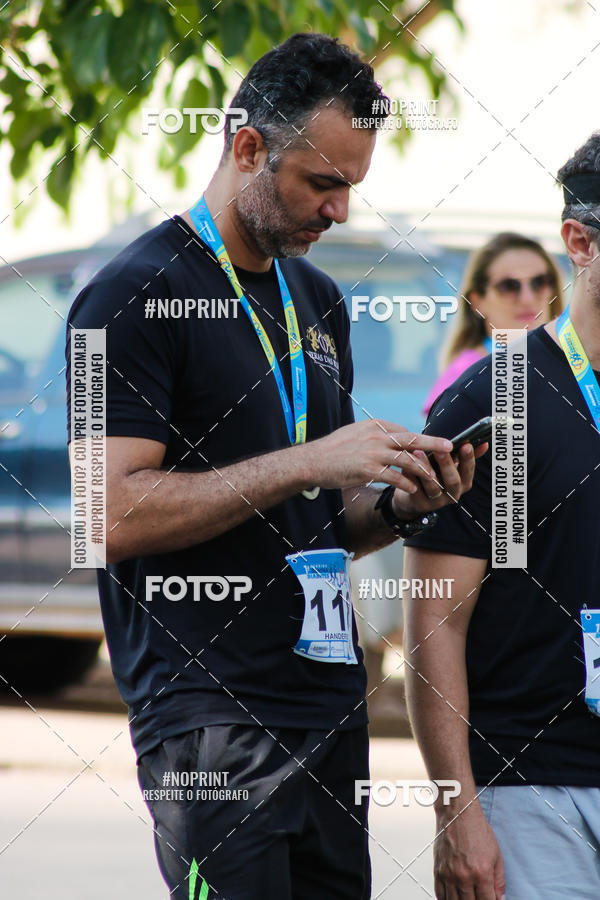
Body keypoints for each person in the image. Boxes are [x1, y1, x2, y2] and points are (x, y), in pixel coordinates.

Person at [65, 34, 485, 900]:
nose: (338, 212)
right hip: (209, 720)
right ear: (247, 146)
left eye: (351, 189)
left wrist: (404, 507)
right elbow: (104, 519)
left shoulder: (316, 300)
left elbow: (319, 527)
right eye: (321, 183)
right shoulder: (128, 296)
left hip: (328, 710)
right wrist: (307, 460)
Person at [403, 133, 600, 900]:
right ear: (579, 242)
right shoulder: (499, 398)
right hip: (531, 789)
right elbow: (435, 621)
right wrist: (458, 815)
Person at [423, 232, 564, 415]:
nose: (527, 299)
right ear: (477, 302)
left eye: (540, 282)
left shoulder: (577, 364)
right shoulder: (463, 378)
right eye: (509, 286)